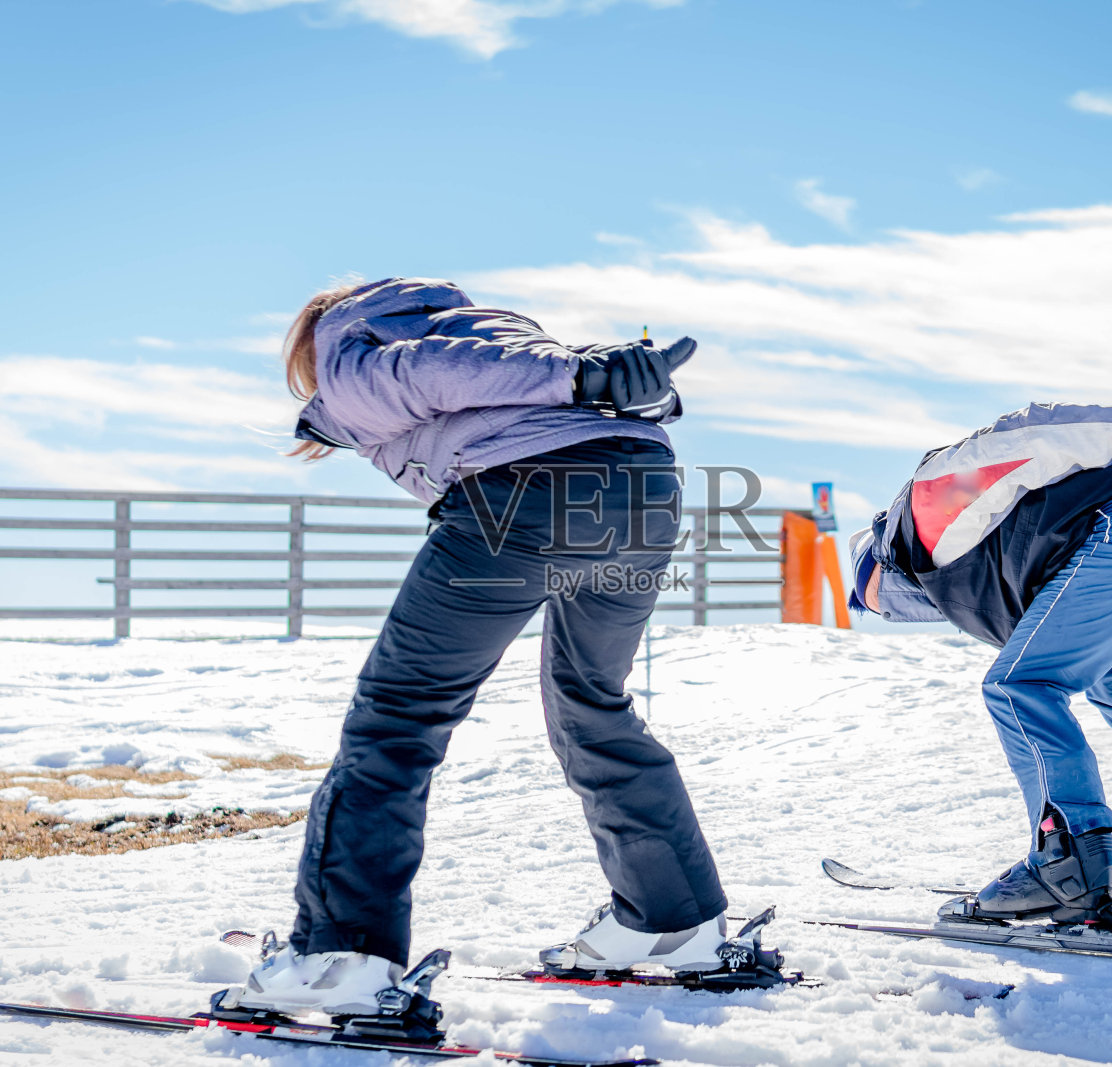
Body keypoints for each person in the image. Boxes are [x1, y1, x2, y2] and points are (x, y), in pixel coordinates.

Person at [227, 278, 734, 1016]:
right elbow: (578, 383)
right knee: (594, 705)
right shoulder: (502, 331)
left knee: (397, 721)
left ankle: (341, 954)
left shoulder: (362, 342)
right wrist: (626, 384)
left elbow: (430, 371)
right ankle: (673, 921)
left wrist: (584, 376)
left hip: (523, 492)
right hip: (642, 486)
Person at [849, 387, 1112, 926]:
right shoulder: (983, 575)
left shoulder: (927, 509)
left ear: (880, 559)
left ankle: (1067, 864)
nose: (887, 610)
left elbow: (1037, 434)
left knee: (1020, 687)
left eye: (874, 597)